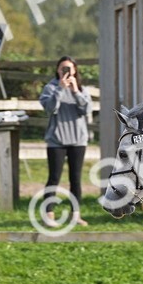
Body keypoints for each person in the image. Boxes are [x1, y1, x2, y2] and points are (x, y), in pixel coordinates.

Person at [39, 56, 92, 226]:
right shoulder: (50, 88)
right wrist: (60, 89)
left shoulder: (82, 89)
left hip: (78, 141)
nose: (66, 72)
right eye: (62, 69)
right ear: (57, 70)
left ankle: (75, 215)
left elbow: (87, 109)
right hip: (57, 140)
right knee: (54, 177)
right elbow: (49, 108)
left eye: (69, 69)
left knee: (75, 178)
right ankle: (49, 214)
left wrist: (75, 91)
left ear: (75, 70)